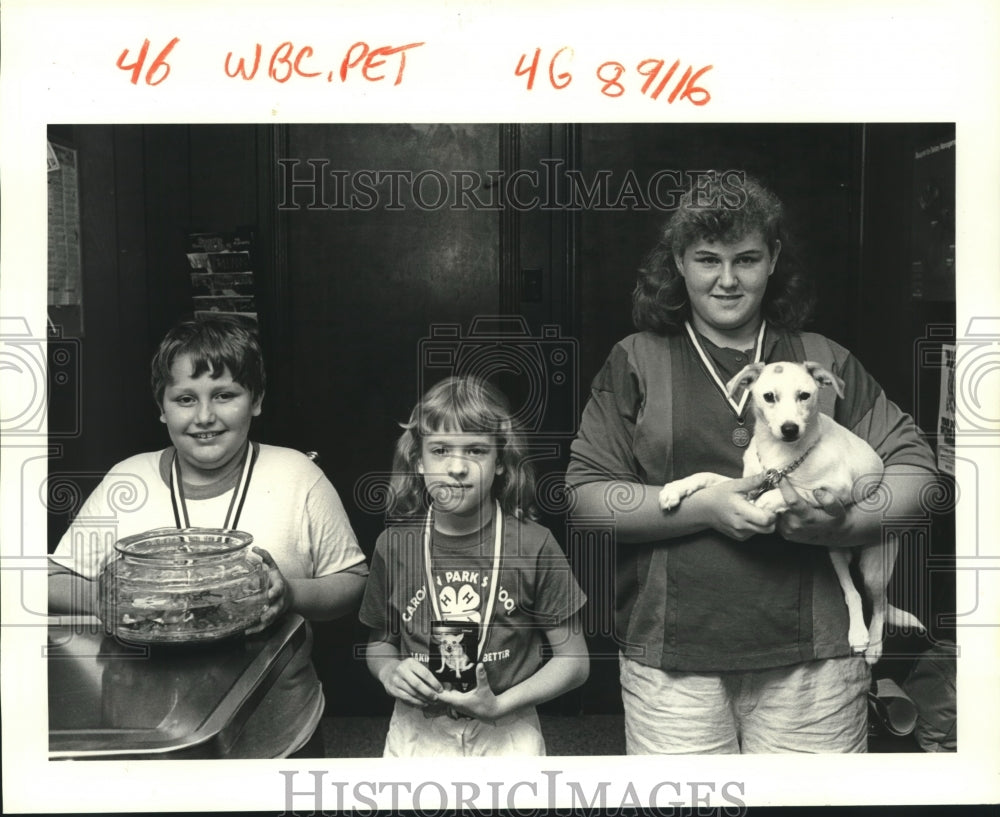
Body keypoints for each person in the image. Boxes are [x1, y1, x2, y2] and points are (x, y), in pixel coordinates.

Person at [566, 173, 937, 754]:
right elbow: (587, 498)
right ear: (679, 262)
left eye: (747, 259)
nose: (728, 279)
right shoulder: (636, 359)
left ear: (773, 260)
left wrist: (846, 524)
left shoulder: (822, 358)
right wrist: (705, 509)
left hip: (817, 659)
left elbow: (919, 473)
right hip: (674, 659)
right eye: (707, 259)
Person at [48, 314, 369, 758]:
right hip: (152, 735)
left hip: (281, 732)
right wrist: (106, 599)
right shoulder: (128, 480)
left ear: (255, 400)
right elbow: (49, 580)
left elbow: (353, 583)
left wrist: (289, 594)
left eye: (224, 395)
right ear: (161, 407)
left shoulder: (299, 476)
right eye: (184, 398)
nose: (204, 417)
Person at [360, 376, 589, 756]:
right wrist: (389, 671)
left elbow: (575, 662)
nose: (457, 468)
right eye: (440, 450)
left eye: (477, 451)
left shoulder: (534, 543)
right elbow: (379, 645)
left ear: (500, 462)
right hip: (418, 730)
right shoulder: (394, 545)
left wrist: (499, 705)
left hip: (507, 726)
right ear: (418, 461)